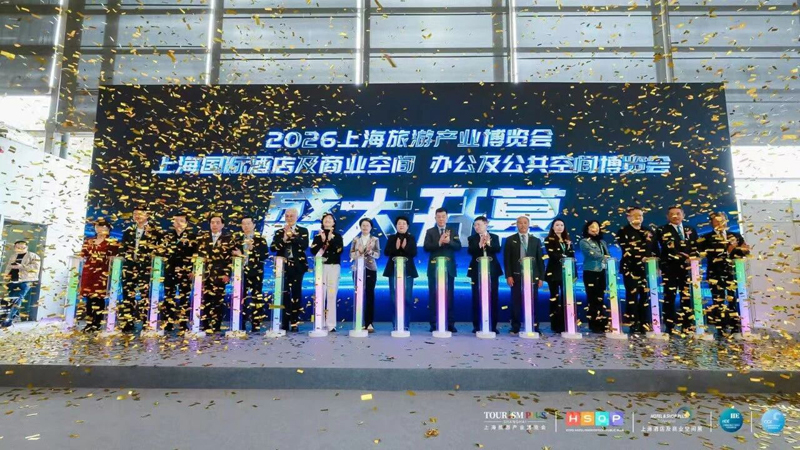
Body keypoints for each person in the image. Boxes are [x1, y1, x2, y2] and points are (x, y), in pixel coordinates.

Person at [698, 212, 750, 335]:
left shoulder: (735, 236)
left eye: (722, 220)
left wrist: (744, 250)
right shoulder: (706, 238)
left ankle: (735, 326)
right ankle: (720, 328)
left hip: (733, 273)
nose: (720, 223)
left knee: (734, 300)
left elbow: (742, 253)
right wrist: (727, 251)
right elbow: (705, 254)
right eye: (716, 221)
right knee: (718, 301)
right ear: (712, 223)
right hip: (715, 274)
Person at [118, 206, 162, 332]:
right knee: (128, 295)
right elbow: (123, 248)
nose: (137, 216)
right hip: (129, 268)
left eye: (140, 213)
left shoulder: (155, 231)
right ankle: (127, 322)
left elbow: (160, 249)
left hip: (146, 268)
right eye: (135, 214)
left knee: (145, 295)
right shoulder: (128, 231)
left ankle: (145, 322)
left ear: (147, 215)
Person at [616, 207, 659, 334]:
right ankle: (633, 323)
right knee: (632, 296)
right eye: (635, 215)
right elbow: (627, 248)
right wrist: (642, 257)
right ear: (628, 217)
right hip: (630, 268)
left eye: (640, 215)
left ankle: (645, 322)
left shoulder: (648, 231)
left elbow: (655, 249)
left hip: (647, 269)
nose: (638, 218)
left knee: (646, 296)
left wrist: (657, 264)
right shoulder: (623, 231)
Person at [657, 206, 698, 334]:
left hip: (687, 268)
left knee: (686, 296)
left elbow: (695, 246)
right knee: (669, 296)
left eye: (678, 213)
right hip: (670, 267)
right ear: (667, 217)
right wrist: (683, 257)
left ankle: (687, 324)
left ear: (683, 215)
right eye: (672, 214)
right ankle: (669, 325)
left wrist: (694, 256)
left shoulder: (690, 229)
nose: (675, 216)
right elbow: (667, 247)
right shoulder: (662, 230)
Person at [503, 215, 545, 336]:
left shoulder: (535, 240)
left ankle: (534, 326)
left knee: (533, 302)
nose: (522, 225)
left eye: (525, 223)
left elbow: (540, 260)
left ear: (528, 225)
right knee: (516, 302)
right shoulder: (510, 240)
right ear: (516, 225)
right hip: (516, 276)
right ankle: (515, 326)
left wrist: (541, 277)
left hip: (532, 276)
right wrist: (508, 275)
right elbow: (507, 260)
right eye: (520, 223)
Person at [269, 208, 309, 332]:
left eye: (292, 216)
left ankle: (295, 322)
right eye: (287, 216)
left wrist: (293, 236)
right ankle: (285, 322)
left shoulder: (303, 230)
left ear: (297, 217)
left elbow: (304, 245)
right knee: (284, 294)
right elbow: (273, 248)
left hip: (297, 267)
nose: (289, 218)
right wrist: (284, 239)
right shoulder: (279, 232)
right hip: (283, 267)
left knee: (296, 294)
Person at [423, 207, 462, 333]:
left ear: (446, 217)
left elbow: (458, 246)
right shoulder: (430, 231)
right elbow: (426, 247)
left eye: (443, 216)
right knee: (434, 296)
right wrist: (439, 243)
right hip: (434, 269)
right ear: (435, 218)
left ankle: (450, 323)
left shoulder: (453, 231)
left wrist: (449, 242)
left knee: (449, 296)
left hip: (449, 269)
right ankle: (434, 323)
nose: (441, 219)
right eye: (438, 217)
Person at [79, 219, 119, 332]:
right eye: (97, 227)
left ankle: (97, 323)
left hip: (102, 272)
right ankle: (89, 323)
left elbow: (115, 257)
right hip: (88, 271)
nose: (99, 229)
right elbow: (83, 254)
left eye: (102, 227)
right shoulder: (89, 241)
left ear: (108, 229)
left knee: (98, 298)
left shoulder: (112, 242)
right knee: (89, 298)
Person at [195, 213, 232, 333]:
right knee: (204, 301)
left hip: (220, 276)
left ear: (222, 225)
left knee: (218, 302)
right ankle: (205, 325)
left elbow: (230, 259)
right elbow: (197, 256)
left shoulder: (228, 239)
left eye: (217, 223)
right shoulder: (202, 238)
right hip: (204, 276)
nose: (214, 225)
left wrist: (227, 274)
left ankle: (216, 326)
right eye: (212, 223)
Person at [232, 216, 269, 333]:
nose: (246, 226)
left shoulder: (260, 240)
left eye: (248, 223)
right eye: (244, 224)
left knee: (256, 298)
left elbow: (265, 255)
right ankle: (241, 323)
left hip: (256, 273)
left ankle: (256, 324)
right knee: (241, 298)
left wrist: (253, 249)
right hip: (241, 274)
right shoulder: (237, 240)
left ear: (254, 225)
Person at [162, 210, 197, 332]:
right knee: (168, 297)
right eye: (176, 221)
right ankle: (168, 323)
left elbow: (195, 255)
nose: (178, 223)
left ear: (186, 223)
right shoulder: (167, 236)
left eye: (181, 221)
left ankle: (183, 323)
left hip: (186, 272)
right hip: (169, 271)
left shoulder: (193, 237)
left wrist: (193, 270)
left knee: (184, 298)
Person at [309, 213, 344, 332]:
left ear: (334, 223)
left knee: (331, 294)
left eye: (330, 219)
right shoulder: (318, 236)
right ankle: (319, 322)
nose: (328, 220)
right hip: (321, 267)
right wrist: (323, 241)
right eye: (325, 219)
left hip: (333, 267)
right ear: (322, 222)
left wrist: (330, 240)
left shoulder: (337, 236)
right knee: (320, 294)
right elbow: (313, 251)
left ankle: (331, 324)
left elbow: (339, 250)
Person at [467, 216, 501, 334]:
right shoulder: (472, 238)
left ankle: (493, 325)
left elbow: (497, 249)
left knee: (493, 298)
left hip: (492, 271)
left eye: (479, 224)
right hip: (476, 271)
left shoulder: (494, 237)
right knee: (477, 298)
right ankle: (477, 325)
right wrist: (480, 245)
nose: (476, 227)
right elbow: (471, 251)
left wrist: (489, 243)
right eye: (475, 225)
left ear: (486, 224)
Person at [384, 216, 418, 331]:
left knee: (407, 298)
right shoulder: (392, 238)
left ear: (407, 226)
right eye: (399, 223)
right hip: (393, 271)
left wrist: (404, 247)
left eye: (404, 223)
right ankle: (396, 324)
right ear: (396, 226)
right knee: (394, 298)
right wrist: (396, 247)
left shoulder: (411, 238)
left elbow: (413, 253)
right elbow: (386, 252)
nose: (401, 225)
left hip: (408, 271)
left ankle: (405, 324)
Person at [349, 218, 381, 333]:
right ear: (360, 227)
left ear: (371, 227)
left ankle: (369, 323)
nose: (365, 227)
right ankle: (358, 321)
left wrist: (369, 251)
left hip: (371, 269)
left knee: (369, 295)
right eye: (363, 225)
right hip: (357, 269)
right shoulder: (355, 239)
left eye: (367, 225)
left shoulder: (375, 239)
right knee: (358, 294)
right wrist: (359, 251)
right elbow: (351, 255)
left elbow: (377, 255)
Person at [544, 218, 574, 334]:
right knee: (555, 298)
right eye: (557, 225)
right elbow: (553, 255)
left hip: (567, 273)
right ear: (553, 227)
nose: (559, 227)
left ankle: (567, 323)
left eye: (562, 225)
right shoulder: (548, 239)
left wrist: (568, 249)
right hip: (554, 273)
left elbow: (572, 255)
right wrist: (565, 255)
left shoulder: (567, 240)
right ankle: (555, 324)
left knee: (566, 298)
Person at [580, 220, 611, 333]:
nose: (595, 229)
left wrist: (609, 259)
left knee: (600, 297)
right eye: (592, 227)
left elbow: (608, 255)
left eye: (597, 226)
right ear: (587, 229)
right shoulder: (584, 242)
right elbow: (591, 254)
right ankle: (593, 324)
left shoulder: (602, 242)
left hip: (602, 271)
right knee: (592, 298)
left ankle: (602, 322)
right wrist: (604, 257)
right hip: (590, 272)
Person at [2, 240, 41, 327]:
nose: (20, 249)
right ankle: (13, 316)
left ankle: (7, 321)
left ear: (26, 247)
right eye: (18, 247)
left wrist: (22, 266)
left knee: (17, 299)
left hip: (25, 281)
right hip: (13, 280)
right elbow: (8, 267)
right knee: (11, 300)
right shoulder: (13, 256)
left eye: (22, 247)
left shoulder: (33, 256)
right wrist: (6, 277)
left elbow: (35, 268)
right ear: (14, 248)